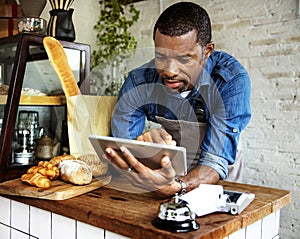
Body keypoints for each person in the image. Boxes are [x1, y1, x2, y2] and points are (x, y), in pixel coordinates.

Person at [103, 1, 251, 198]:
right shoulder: (139, 82)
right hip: (171, 167)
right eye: (161, 57)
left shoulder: (230, 80)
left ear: (206, 52)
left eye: (184, 59)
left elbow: (214, 162)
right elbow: (126, 148)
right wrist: (140, 159)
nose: (169, 71)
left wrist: (179, 186)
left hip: (217, 168)